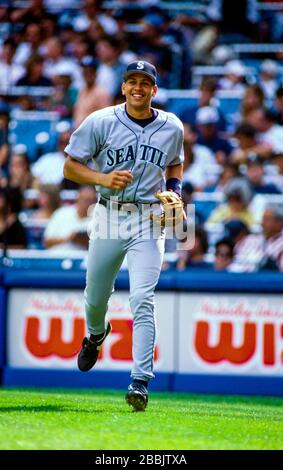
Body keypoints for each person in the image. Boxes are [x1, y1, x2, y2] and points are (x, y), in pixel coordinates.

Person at [63, 60, 184, 411]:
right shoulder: (100, 121)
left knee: (143, 298)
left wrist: (175, 188)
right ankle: (95, 334)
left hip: (149, 217)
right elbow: (69, 166)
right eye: (132, 81)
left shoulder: (171, 126)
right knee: (96, 294)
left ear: (154, 90)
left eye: (145, 83)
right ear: (123, 87)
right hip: (109, 214)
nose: (138, 88)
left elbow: (175, 161)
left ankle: (140, 382)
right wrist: (102, 178)